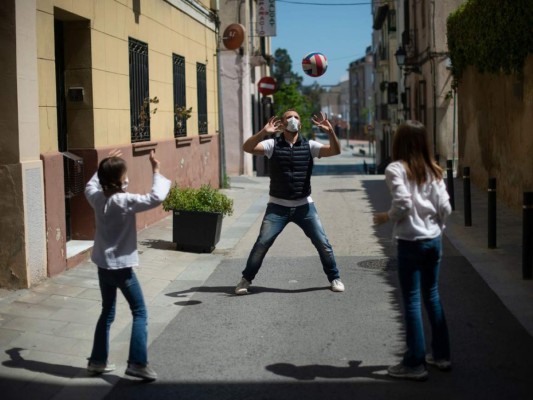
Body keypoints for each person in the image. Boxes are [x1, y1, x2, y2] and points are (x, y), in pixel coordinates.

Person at [373, 120, 452, 381]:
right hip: (433, 240)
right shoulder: (434, 170)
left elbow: (404, 204)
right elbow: (446, 208)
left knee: (413, 301)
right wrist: (436, 228)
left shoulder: (396, 169)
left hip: (410, 241)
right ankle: (441, 355)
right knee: (433, 295)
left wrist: (386, 216)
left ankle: (414, 363)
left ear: (399, 142)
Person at [235, 109, 345, 295]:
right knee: (262, 244)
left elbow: (335, 150)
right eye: (288, 118)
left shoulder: (309, 145)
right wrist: (263, 132)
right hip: (278, 207)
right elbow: (247, 148)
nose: (292, 120)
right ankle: (245, 280)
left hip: (304, 206)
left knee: (323, 243)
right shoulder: (272, 144)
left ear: (300, 124)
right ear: (283, 124)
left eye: (296, 117)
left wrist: (330, 132)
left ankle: (334, 278)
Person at [85, 149, 171, 381]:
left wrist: (102, 169)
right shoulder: (124, 200)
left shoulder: (97, 198)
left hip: (103, 266)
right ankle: (137, 363)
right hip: (122, 269)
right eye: (124, 174)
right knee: (140, 311)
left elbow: (89, 186)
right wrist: (156, 169)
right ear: (120, 179)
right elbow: (156, 197)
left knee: (107, 312)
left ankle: (96, 362)